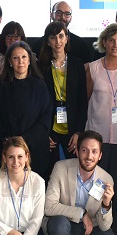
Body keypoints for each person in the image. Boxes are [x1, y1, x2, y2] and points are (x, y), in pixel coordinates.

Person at [45, 130, 117, 235]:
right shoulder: (60, 168)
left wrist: (106, 204)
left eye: (94, 151)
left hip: (89, 228)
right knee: (58, 223)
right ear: (77, 151)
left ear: (100, 155)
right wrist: (81, 213)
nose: (89, 156)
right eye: (84, 150)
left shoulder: (107, 179)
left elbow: (105, 226)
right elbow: (48, 206)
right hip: (65, 225)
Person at [0, 41, 53, 178]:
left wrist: (24, 139)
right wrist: (9, 140)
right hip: (7, 148)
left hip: (34, 150)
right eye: (15, 58)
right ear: (9, 62)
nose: (20, 62)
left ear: (30, 60)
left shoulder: (40, 86)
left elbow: (45, 118)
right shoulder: (1, 86)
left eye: (24, 57)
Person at [85, 23, 117, 176]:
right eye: (111, 40)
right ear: (104, 42)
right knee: (97, 177)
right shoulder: (93, 68)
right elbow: (86, 98)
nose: (116, 45)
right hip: (96, 133)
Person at [38, 21, 88, 163]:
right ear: (47, 42)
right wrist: (43, 133)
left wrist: (78, 132)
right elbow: (39, 103)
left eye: (61, 36)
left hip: (72, 128)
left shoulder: (77, 64)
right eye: (53, 37)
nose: (58, 41)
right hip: (50, 129)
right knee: (51, 169)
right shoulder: (41, 66)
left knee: (73, 168)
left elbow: (82, 100)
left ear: (67, 38)